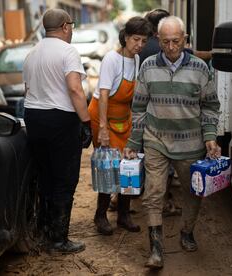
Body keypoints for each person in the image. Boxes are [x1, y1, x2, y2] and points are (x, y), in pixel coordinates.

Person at [124, 16, 221, 269]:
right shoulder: (147, 66)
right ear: (158, 40)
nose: (170, 47)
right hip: (156, 140)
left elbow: (210, 106)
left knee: (192, 193)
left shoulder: (200, 68)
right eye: (165, 41)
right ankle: (156, 249)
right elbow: (139, 107)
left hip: (191, 144)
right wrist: (134, 142)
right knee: (153, 193)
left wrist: (210, 137)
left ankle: (186, 231)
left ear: (185, 39)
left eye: (176, 41)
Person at [23, 8, 91, 254]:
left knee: (45, 176)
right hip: (60, 119)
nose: (71, 30)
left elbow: (27, 89)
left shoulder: (31, 53)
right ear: (64, 26)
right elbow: (75, 89)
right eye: (71, 25)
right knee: (65, 178)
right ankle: (59, 240)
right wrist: (85, 122)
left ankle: (43, 230)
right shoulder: (68, 51)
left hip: (34, 117)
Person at [88, 16, 153, 236]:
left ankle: (124, 214)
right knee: (109, 167)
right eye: (136, 39)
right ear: (125, 37)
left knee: (130, 164)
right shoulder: (111, 59)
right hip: (103, 116)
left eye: (144, 41)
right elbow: (104, 95)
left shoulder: (136, 60)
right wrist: (104, 129)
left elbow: (132, 98)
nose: (140, 45)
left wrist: (136, 124)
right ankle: (100, 215)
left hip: (123, 119)